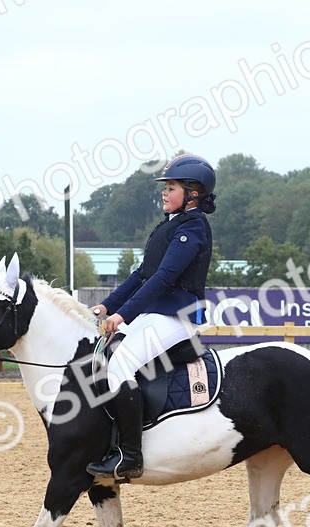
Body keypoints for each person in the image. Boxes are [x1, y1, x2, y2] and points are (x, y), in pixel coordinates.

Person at [86, 154, 216, 481]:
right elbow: (141, 274)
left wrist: (123, 315)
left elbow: (164, 278)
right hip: (157, 313)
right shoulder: (169, 226)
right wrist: (107, 306)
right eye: (165, 187)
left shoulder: (194, 226)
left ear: (193, 193)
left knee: (119, 366)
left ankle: (130, 457)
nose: (164, 192)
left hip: (177, 315)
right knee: (105, 358)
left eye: (170, 187)